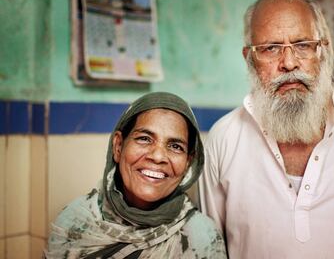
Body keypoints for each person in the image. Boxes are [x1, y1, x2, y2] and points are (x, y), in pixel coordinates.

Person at [199, 0, 334, 258]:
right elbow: (209, 251)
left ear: (323, 51)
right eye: (271, 48)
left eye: (302, 45)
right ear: (249, 58)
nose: (288, 63)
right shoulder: (224, 139)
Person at [46, 92, 227, 258]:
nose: (157, 156)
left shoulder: (202, 237)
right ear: (118, 146)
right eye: (144, 139)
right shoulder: (75, 221)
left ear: (188, 163)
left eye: (175, 146)